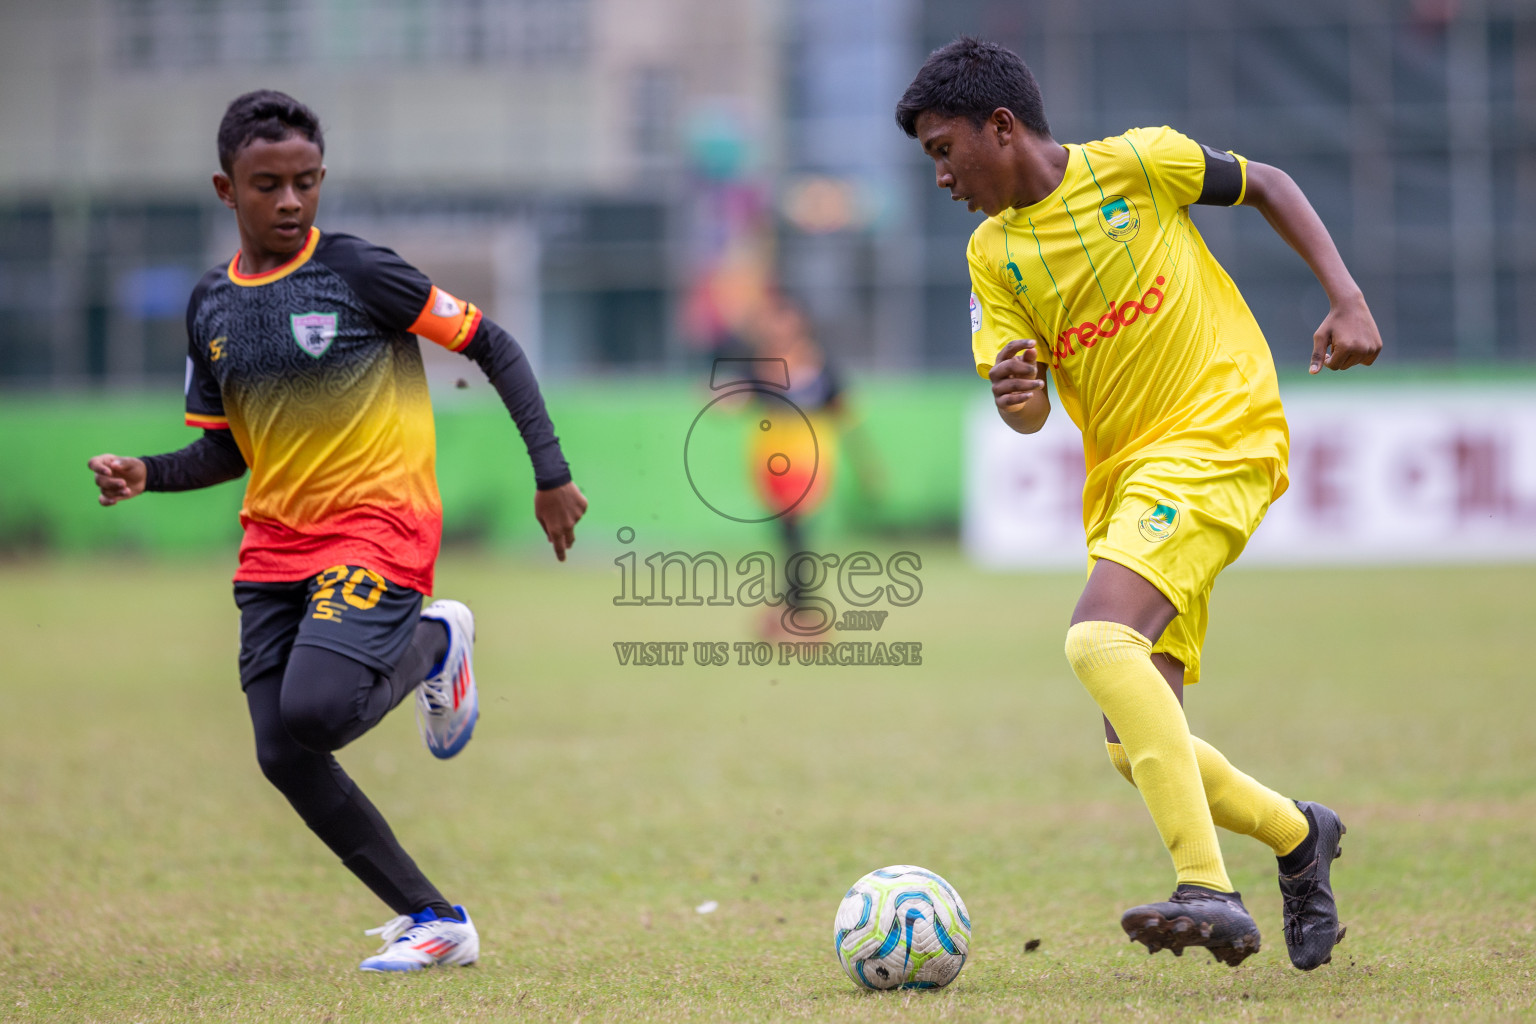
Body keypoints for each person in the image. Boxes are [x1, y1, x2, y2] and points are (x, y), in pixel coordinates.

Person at [896, 39, 1381, 969]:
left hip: (1222, 430)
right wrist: (1018, 393)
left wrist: (1346, 297)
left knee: (1095, 642)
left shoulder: (1139, 161)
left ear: (1002, 126)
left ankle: (1207, 886)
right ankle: (1297, 835)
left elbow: (1270, 182)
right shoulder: (993, 255)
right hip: (1128, 479)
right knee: (1133, 743)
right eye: (931, 159)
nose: (943, 174)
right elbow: (1030, 413)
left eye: (945, 149)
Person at [86, 90, 588, 972]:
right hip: (274, 546)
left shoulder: (359, 273)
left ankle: (434, 638)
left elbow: (492, 344)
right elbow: (225, 453)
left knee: (315, 710)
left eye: (307, 183)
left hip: (379, 526)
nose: (290, 202)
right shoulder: (210, 306)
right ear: (224, 189)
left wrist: (550, 473)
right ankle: (437, 921)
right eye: (268, 184)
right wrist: (147, 474)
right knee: (282, 751)